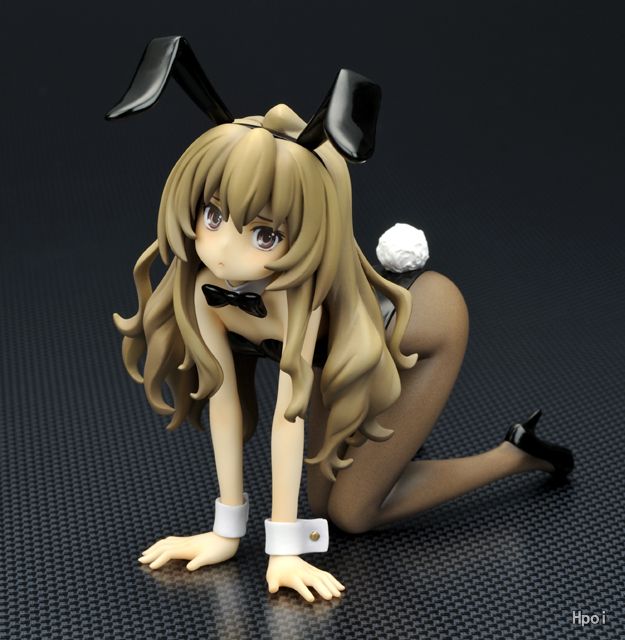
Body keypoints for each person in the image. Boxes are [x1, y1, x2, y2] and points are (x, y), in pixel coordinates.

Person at [108, 36, 574, 603]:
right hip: (344, 362)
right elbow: (223, 399)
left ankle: (515, 453)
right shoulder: (205, 290)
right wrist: (226, 532)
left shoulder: (294, 298)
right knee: (326, 506)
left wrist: (283, 550)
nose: (225, 252)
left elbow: (288, 417)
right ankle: (393, 446)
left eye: (264, 235)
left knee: (352, 514)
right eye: (213, 215)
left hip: (421, 322)